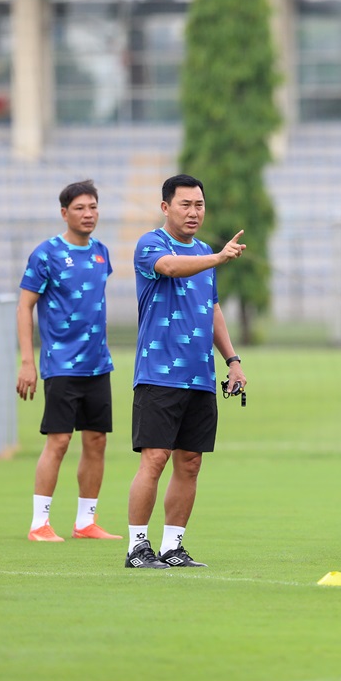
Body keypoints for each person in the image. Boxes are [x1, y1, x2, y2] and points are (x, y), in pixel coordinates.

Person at [124, 174, 248, 569]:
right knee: (155, 458)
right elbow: (172, 268)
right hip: (159, 373)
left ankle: (173, 547)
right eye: (185, 205)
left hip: (199, 375)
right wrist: (217, 259)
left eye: (199, 205)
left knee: (190, 462)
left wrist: (232, 361)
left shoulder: (206, 252)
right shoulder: (151, 244)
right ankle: (137, 547)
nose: (194, 212)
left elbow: (211, 310)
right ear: (165, 207)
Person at [18, 180, 122, 543]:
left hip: (99, 365)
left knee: (96, 441)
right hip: (61, 364)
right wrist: (27, 362)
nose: (88, 213)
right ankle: (39, 524)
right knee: (59, 441)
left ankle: (85, 522)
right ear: (64, 213)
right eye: (80, 208)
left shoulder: (102, 253)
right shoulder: (45, 254)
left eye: (93, 206)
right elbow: (25, 306)